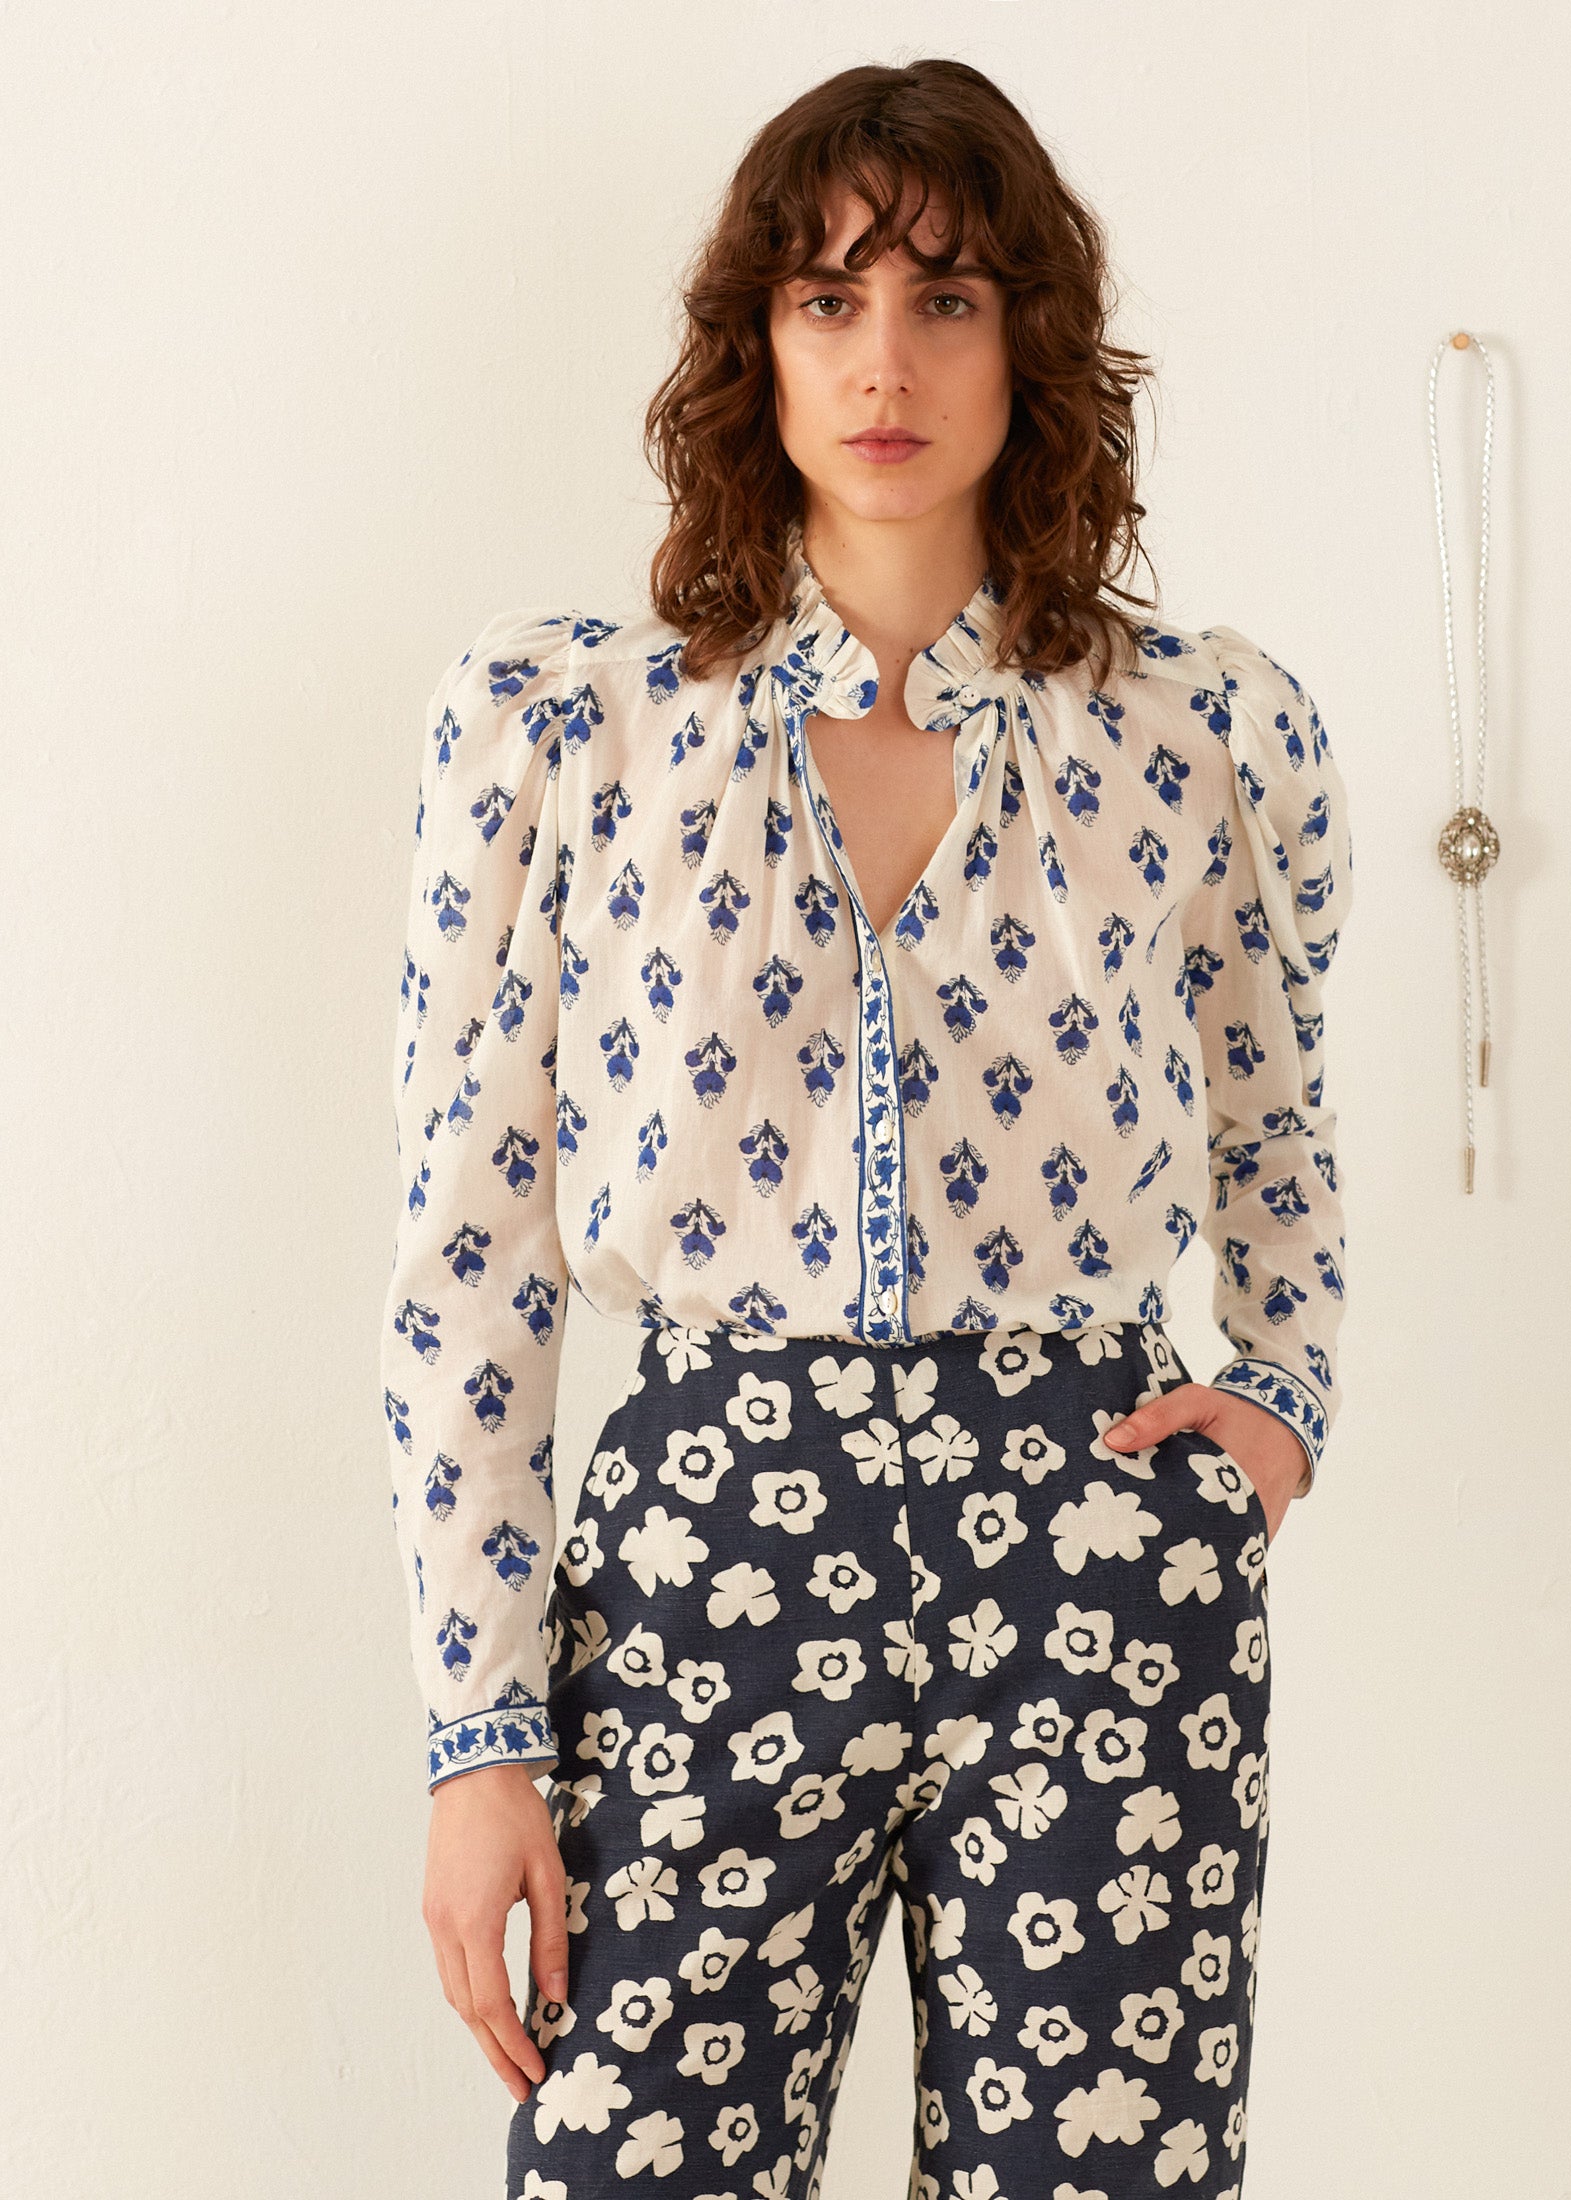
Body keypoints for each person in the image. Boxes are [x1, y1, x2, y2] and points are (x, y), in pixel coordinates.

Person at [379, 56, 1352, 2200]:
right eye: (826, 303)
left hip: (1094, 1543)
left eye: (945, 296)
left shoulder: (1205, 732)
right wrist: (482, 1731)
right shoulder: (568, 725)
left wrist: (1274, 1389)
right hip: (707, 1537)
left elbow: (1277, 1123)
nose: (884, 360)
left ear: (1036, 345)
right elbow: (467, 1246)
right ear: (755, 347)